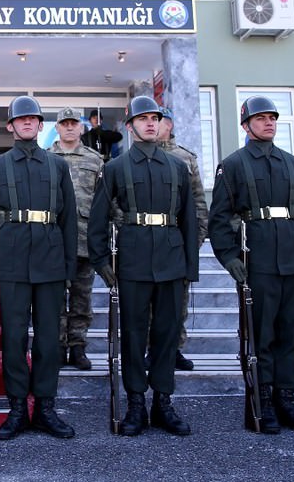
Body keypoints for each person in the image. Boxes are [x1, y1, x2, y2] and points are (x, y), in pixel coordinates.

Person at [208, 95, 294, 435]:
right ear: (246, 125)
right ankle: (263, 400)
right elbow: (219, 218)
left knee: (290, 333)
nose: (268, 122)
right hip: (258, 259)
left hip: (293, 258)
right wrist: (229, 257)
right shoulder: (234, 164)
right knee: (261, 335)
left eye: (272, 117)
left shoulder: (292, 164)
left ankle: (287, 398)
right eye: (260, 118)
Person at [88, 96, 198, 437]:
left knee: (166, 336)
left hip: (170, 259)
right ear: (130, 125)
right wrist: (102, 262)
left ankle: (162, 402)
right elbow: (98, 219)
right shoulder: (115, 169)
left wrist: (189, 268)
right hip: (133, 261)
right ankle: (136, 401)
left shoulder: (178, 167)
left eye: (155, 118)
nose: (150, 123)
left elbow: (189, 221)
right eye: (142, 118)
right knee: (134, 335)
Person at [0, 95, 78, 440]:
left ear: (40, 124)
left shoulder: (58, 166)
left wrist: (69, 269)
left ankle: (45, 408)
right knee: (14, 340)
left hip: (50, 260)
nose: (28, 122)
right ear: (11, 126)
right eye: (21, 119)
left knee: (49, 339)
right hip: (15, 261)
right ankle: (17, 408)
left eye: (33, 118)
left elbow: (69, 221)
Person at [49, 106, 103, 371]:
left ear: (81, 128)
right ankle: (58, 346)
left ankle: (78, 346)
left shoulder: (95, 160)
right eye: (64, 124)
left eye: (74, 124)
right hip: (54, 242)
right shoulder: (45, 158)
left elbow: (104, 202)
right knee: (55, 297)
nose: (69, 128)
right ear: (57, 128)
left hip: (84, 240)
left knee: (82, 297)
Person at [156, 106, 209, 371]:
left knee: (179, 302)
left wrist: (195, 240)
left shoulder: (185, 159)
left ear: (170, 124)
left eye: (160, 119)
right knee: (150, 304)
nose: (155, 124)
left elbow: (198, 202)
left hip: (178, 241)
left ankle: (175, 348)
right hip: (149, 242)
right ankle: (151, 349)